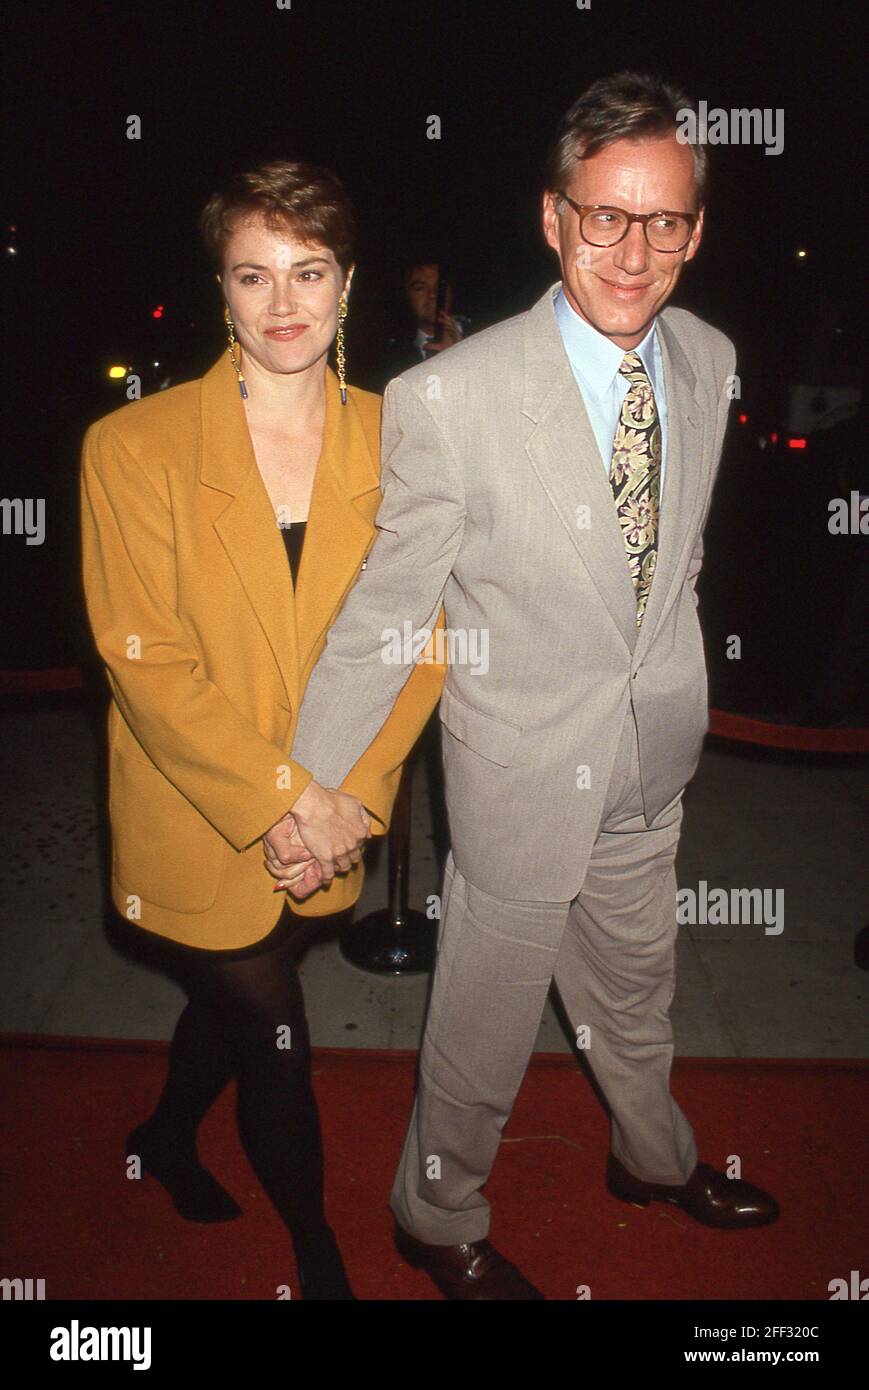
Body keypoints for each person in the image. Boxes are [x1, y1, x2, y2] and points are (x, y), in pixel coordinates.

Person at [282, 73, 780, 1300]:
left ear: (696, 229)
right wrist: (308, 782)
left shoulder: (709, 359)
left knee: (638, 986)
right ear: (551, 218)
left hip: (649, 754)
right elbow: (389, 611)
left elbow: (677, 559)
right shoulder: (449, 397)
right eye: (602, 215)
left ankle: (650, 1158)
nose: (632, 248)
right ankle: (434, 1211)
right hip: (514, 775)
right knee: (482, 1026)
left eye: (662, 220)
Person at [79, 160, 445, 1299]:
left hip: (338, 811)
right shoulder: (130, 446)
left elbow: (423, 640)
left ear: (346, 284)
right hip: (202, 812)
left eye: (308, 271)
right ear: (220, 291)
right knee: (278, 1031)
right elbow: (149, 666)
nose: (282, 302)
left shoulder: (406, 439)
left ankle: (164, 1135)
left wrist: (353, 800)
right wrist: (292, 798)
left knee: (235, 1000)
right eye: (253, 274)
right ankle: (317, 1252)